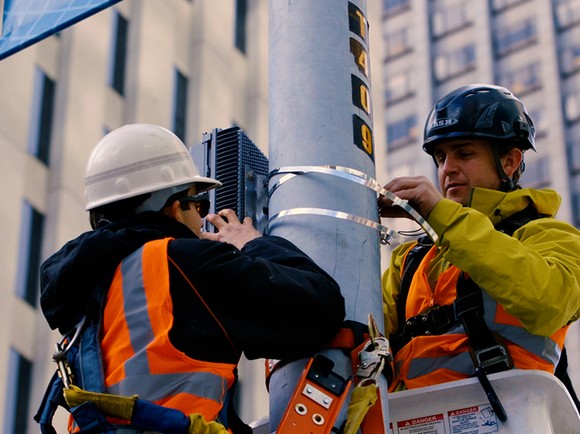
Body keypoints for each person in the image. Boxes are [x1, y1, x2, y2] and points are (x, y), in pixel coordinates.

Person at [38, 123, 345, 433]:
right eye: (199, 205)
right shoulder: (183, 262)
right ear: (173, 208)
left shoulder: (90, 289)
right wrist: (251, 242)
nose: (203, 219)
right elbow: (321, 307)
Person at [378, 84, 580, 395]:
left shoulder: (553, 237)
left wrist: (439, 213)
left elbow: (547, 303)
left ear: (510, 162)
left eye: (465, 153)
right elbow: (362, 343)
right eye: (441, 157)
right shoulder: (409, 259)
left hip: (512, 420)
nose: (448, 169)